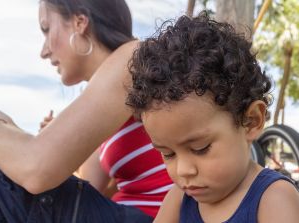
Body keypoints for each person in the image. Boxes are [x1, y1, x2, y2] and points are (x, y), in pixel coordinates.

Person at [0, 0, 172, 222]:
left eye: (46, 30)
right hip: (125, 212)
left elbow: (36, 171)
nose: (44, 51)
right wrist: (16, 136)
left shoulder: (134, 59)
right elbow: (83, 185)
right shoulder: (105, 111)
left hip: (156, 217)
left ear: (80, 22)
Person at [126, 12, 299, 223]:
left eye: (200, 148)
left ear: (251, 121)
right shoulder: (180, 199)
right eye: (168, 154)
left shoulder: (273, 198)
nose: (184, 170)